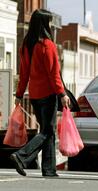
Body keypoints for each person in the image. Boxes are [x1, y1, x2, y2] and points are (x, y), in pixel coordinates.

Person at [10, 9, 70, 177]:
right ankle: (21, 156)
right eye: (49, 22)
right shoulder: (47, 45)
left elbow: (24, 73)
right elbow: (54, 74)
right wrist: (62, 94)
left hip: (34, 95)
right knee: (47, 131)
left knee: (47, 130)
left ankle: (49, 169)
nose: (50, 25)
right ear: (45, 23)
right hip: (49, 94)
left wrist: (19, 95)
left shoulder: (27, 44)